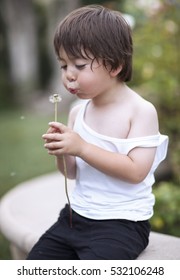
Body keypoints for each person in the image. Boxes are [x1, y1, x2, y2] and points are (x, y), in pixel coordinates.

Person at [27, 5, 168, 260]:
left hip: (122, 224)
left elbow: (136, 172)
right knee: (36, 264)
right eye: (63, 65)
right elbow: (71, 173)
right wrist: (63, 151)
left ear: (115, 66)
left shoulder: (139, 111)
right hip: (75, 217)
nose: (69, 75)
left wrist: (82, 147)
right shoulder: (77, 112)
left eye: (79, 65)